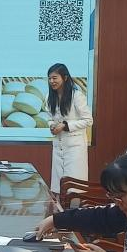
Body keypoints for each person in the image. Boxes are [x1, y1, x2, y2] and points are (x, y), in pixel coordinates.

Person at [46, 63, 92, 198]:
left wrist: (65, 126)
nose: (51, 81)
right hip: (58, 146)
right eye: (49, 78)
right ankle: (60, 209)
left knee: (74, 188)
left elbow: (88, 120)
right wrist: (52, 125)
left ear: (65, 78)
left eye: (55, 78)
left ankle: (74, 210)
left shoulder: (77, 96)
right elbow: (49, 118)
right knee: (59, 187)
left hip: (74, 148)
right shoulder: (50, 97)